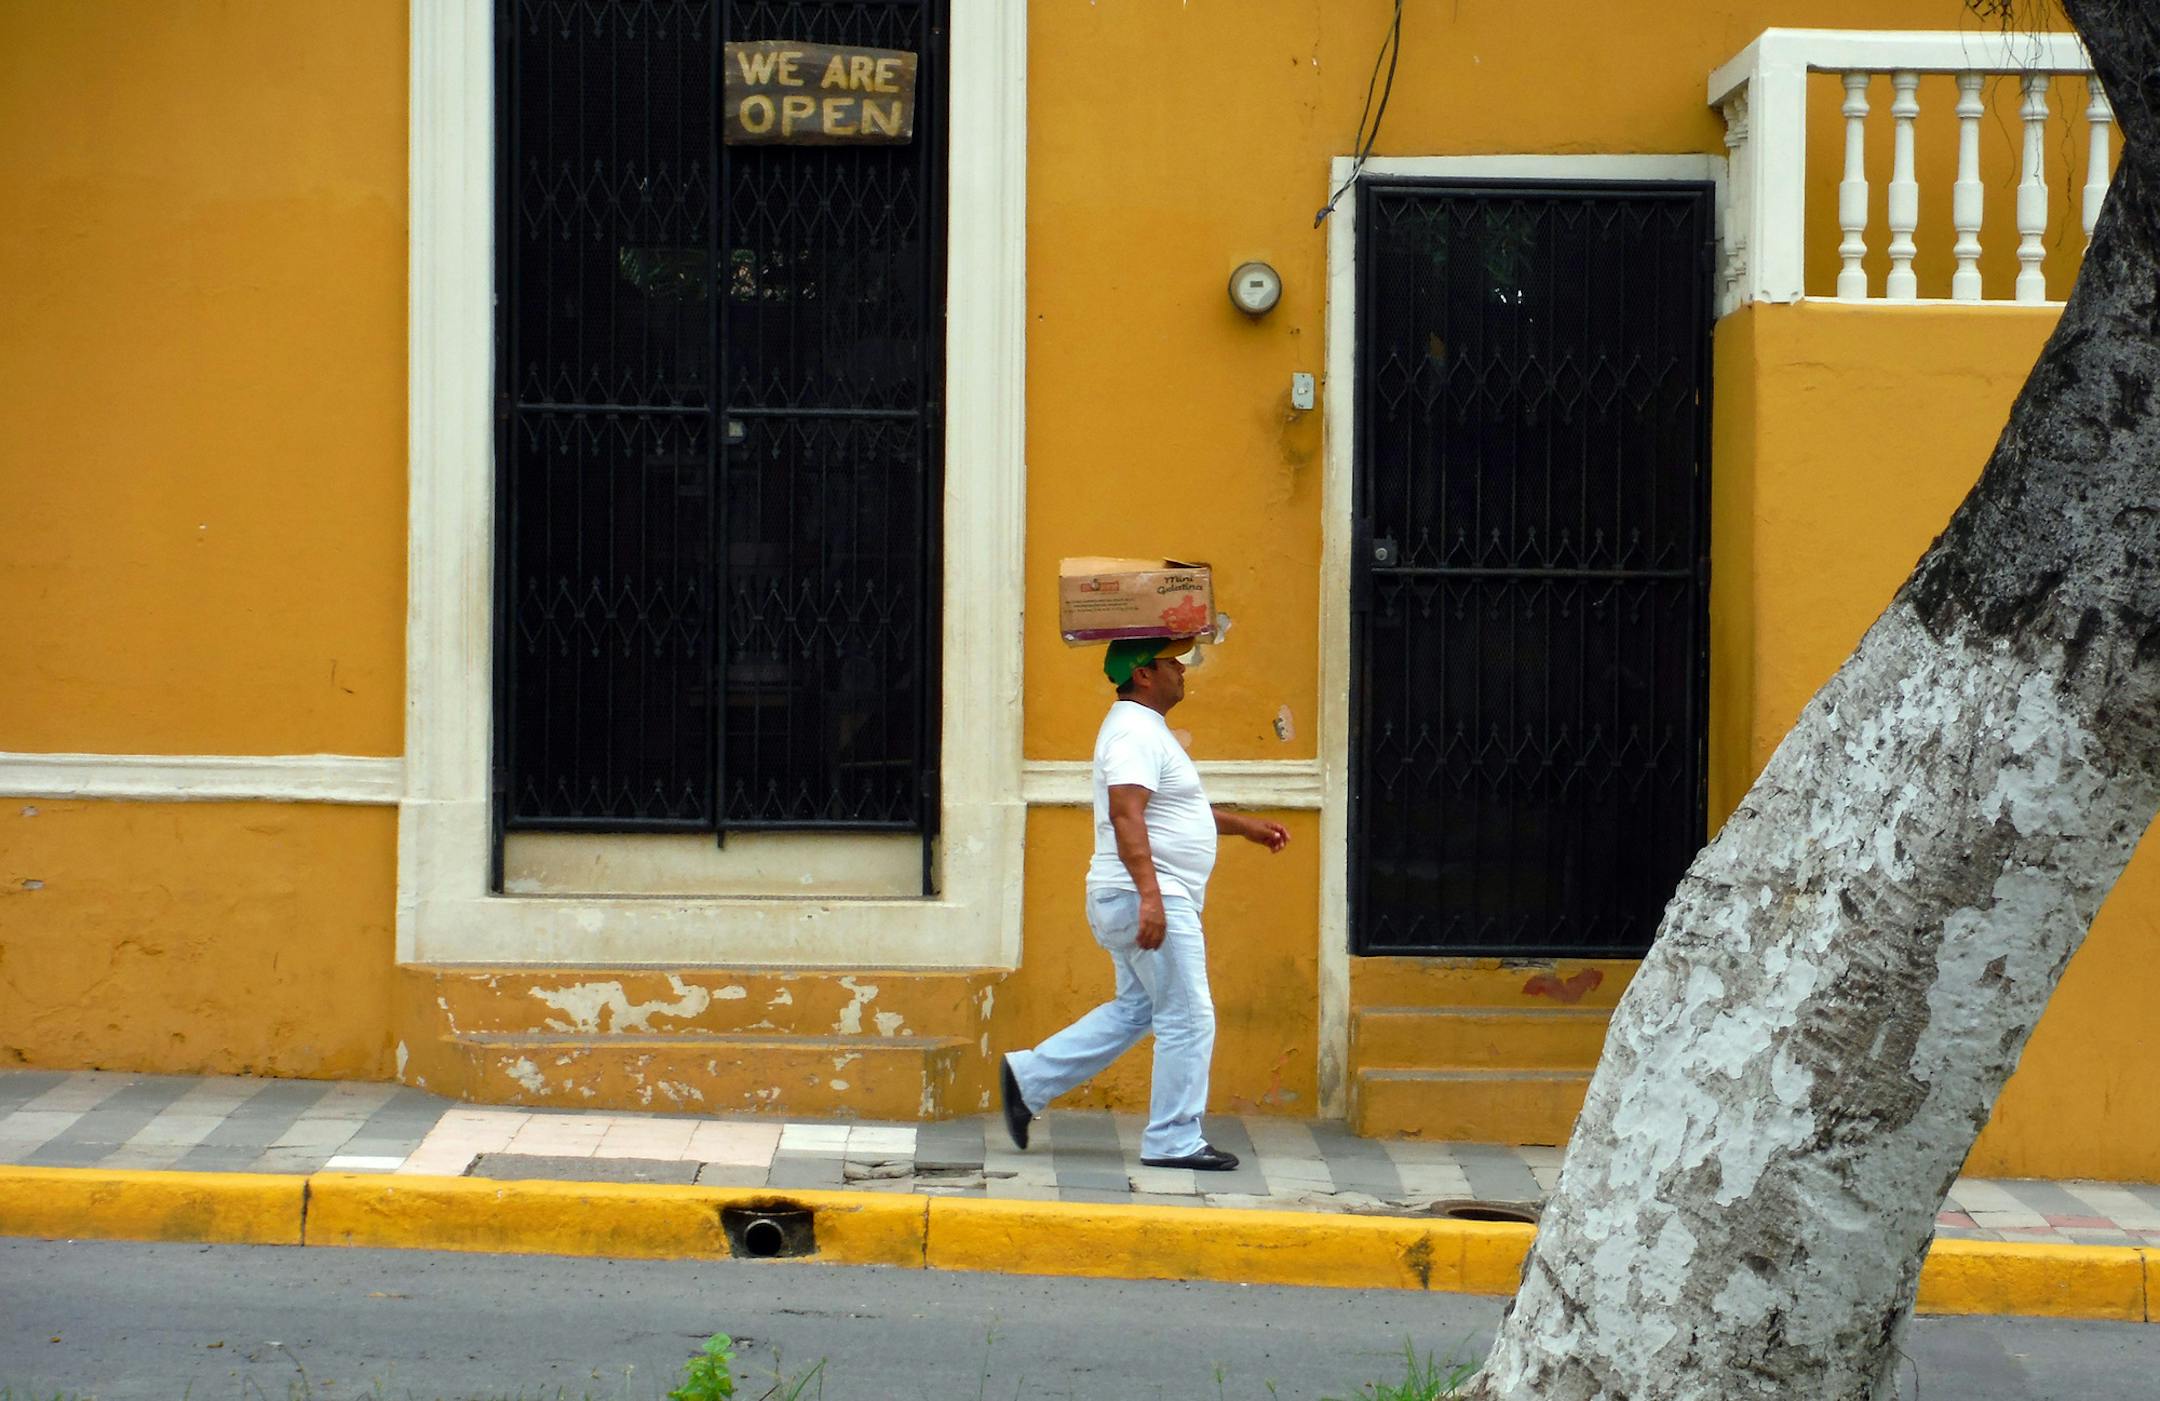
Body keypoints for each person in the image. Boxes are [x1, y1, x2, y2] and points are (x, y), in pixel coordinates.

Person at [997, 636, 1290, 1170]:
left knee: (1138, 1010)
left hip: (1133, 893)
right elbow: (1127, 815)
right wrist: (1152, 897)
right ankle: (1174, 1139)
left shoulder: (1144, 730)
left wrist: (1243, 826)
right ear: (1144, 674)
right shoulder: (1133, 730)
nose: (1182, 669)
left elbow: (1174, 810)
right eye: (1170, 662)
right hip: (1147, 894)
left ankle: (1028, 1078)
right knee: (1189, 1016)